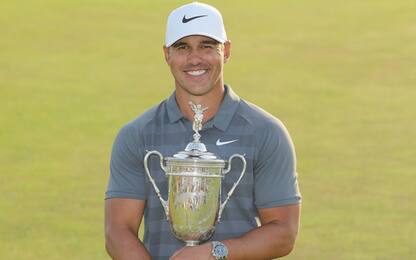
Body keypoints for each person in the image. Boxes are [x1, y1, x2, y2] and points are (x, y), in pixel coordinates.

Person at [105, 2, 301, 259]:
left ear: (226, 51)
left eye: (207, 46)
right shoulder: (137, 135)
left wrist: (215, 253)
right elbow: (118, 231)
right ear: (167, 54)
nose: (195, 58)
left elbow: (283, 233)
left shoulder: (266, 132)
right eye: (182, 47)